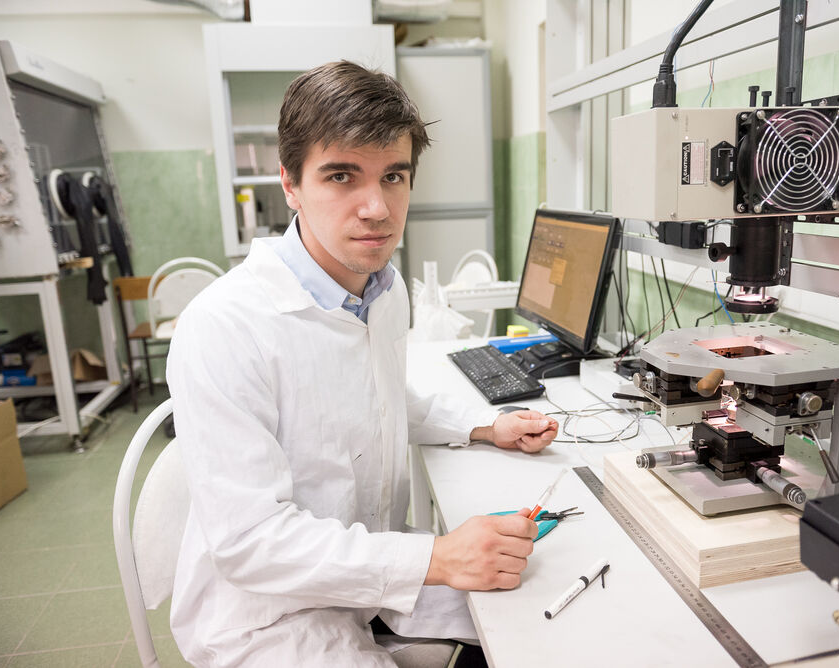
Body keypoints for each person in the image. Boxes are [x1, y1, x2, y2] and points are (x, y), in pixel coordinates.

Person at [166, 60, 560, 667]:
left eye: (393, 176)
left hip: (365, 567)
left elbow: (379, 397)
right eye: (341, 175)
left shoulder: (382, 290)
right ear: (290, 184)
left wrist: (484, 426)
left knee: (547, 620)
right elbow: (249, 543)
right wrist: (436, 558)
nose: (377, 207)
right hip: (267, 615)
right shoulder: (224, 326)